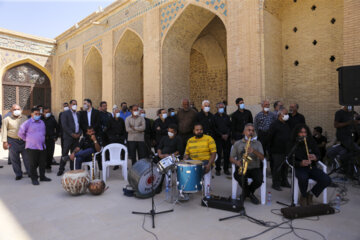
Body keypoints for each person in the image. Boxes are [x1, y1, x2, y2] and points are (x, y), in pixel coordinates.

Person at [291, 124, 332, 206]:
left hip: (312, 167)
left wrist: (315, 157)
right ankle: (303, 196)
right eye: (301, 132)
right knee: (303, 177)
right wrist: (300, 163)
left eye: (305, 132)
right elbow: (289, 160)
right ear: (297, 133)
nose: (303, 134)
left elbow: (318, 155)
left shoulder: (311, 141)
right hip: (300, 167)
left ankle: (311, 194)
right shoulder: (293, 143)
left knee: (327, 180)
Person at [230, 123, 264, 205]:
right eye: (249, 130)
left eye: (252, 130)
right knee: (238, 176)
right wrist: (237, 162)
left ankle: (245, 193)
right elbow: (231, 158)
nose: (251, 132)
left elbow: (262, 158)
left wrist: (253, 151)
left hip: (254, 167)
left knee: (259, 180)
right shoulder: (238, 143)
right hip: (242, 166)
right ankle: (250, 194)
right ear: (244, 132)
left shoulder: (258, 143)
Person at [18, 107, 51, 185]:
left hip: (42, 146)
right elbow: (20, 133)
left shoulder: (42, 122)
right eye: (35, 114)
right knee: (33, 164)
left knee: (42, 163)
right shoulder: (27, 123)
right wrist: (28, 139)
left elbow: (43, 133)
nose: (37, 115)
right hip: (32, 147)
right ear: (31, 114)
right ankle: (34, 179)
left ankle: (42, 177)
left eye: (39, 114)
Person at [183, 123, 216, 197]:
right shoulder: (190, 140)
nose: (199, 131)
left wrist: (209, 164)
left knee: (196, 171)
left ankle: (189, 188)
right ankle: (187, 188)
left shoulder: (208, 138)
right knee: (183, 170)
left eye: (201, 129)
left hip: (205, 161)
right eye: (197, 130)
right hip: (193, 161)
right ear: (194, 131)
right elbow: (187, 154)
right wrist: (184, 160)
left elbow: (214, 153)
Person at [1, 104, 30, 180]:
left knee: (27, 158)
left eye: (18, 109)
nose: (17, 111)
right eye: (14, 109)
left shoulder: (24, 118)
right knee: (15, 159)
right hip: (12, 141)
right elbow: (4, 131)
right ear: (11, 110)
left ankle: (30, 172)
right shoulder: (6, 119)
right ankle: (18, 174)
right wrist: (4, 142)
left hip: (24, 141)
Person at [268, 108, 291, 191]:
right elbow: (270, 137)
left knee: (285, 167)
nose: (287, 115)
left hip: (286, 150)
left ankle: (284, 181)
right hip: (277, 150)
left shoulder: (287, 124)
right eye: (285, 114)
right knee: (277, 167)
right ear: (280, 115)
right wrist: (270, 149)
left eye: (287, 114)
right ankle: (276, 183)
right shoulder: (274, 124)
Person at [334, 105, 360, 178]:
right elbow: (336, 125)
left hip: (351, 136)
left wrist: (356, 122)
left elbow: (354, 122)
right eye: (349, 106)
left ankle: (349, 172)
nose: (350, 108)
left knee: (351, 152)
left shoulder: (352, 113)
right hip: (343, 136)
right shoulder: (339, 113)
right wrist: (348, 123)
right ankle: (342, 158)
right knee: (357, 150)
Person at [58, 100, 82, 176]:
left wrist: (79, 133)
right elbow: (64, 126)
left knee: (74, 153)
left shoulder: (78, 114)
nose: (75, 105)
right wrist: (72, 134)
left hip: (76, 138)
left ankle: (73, 168)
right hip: (68, 137)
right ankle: (61, 169)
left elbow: (80, 125)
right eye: (73, 104)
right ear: (70, 105)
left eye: (76, 104)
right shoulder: (65, 114)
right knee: (64, 153)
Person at [213, 102, 232, 176]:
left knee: (227, 153)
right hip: (218, 138)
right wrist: (221, 135)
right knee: (218, 154)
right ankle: (218, 169)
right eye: (220, 107)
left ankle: (226, 169)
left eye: (222, 107)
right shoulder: (214, 117)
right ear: (217, 108)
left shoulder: (227, 116)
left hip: (227, 138)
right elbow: (214, 128)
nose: (221, 109)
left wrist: (227, 134)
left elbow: (230, 126)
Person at [42, 107, 59, 173]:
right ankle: (43, 167)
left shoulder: (52, 119)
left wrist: (56, 137)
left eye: (48, 112)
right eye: (45, 112)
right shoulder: (41, 119)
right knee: (43, 154)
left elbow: (58, 128)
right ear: (43, 113)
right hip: (43, 140)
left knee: (50, 154)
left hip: (51, 139)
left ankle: (48, 166)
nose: (47, 113)